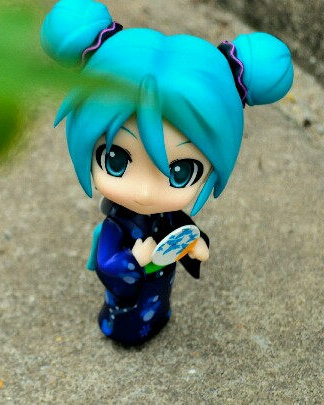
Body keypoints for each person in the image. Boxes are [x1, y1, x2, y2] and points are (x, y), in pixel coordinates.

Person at [40, 0, 293, 345]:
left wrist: (195, 243)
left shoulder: (167, 216)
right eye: (115, 160)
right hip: (130, 301)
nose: (145, 192)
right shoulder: (117, 224)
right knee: (130, 318)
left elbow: (181, 230)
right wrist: (132, 260)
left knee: (158, 304)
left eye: (180, 172)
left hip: (159, 288)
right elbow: (107, 263)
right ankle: (123, 329)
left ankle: (159, 316)